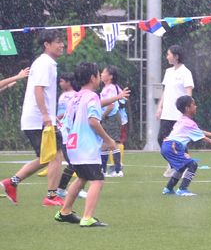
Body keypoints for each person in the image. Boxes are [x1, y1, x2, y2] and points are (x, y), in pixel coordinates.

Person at [2, 30, 66, 206]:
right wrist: (46, 116)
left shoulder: (47, 63)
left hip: (38, 118)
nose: (62, 45)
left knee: (46, 157)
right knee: (55, 155)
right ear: (47, 44)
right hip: (39, 119)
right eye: (58, 42)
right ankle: (52, 196)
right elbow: (38, 90)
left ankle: (12, 182)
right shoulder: (44, 63)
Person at [53, 62, 118, 227]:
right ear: (92, 78)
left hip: (73, 144)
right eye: (98, 75)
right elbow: (93, 121)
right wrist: (108, 140)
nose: (99, 78)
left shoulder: (74, 96)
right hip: (85, 146)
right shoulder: (92, 96)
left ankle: (64, 212)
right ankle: (88, 217)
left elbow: (67, 122)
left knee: (82, 177)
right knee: (97, 180)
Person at [161, 95, 211, 196]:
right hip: (173, 147)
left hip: (167, 146)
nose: (196, 106)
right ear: (187, 108)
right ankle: (182, 189)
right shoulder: (189, 123)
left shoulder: (183, 119)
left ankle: (168, 189)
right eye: (193, 104)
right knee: (193, 164)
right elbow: (203, 138)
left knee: (182, 166)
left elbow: (198, 132)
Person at [157, 45, 193, 177]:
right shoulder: (168, 72)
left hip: (179, 114)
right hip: (167, 112)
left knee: (180, 142)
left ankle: (186, 167)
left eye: (169, 54)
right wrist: (160, 107)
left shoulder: (186, 72)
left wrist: (187, 111)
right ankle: (174, 164)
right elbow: (165, 91)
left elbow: (189, 93)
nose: (167, 57)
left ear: (176, 56)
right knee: (162, 139)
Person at [99, 66, 125, 177]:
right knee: (104, 144)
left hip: (111, 117)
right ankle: (104, 170)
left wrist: (102, 116)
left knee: (111, 142)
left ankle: (117, 170)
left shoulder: (110, 88)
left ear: (110, 76)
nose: (101, 74)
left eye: (104, 72)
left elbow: (111, 105)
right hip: (108, 117)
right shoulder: (107, 88)